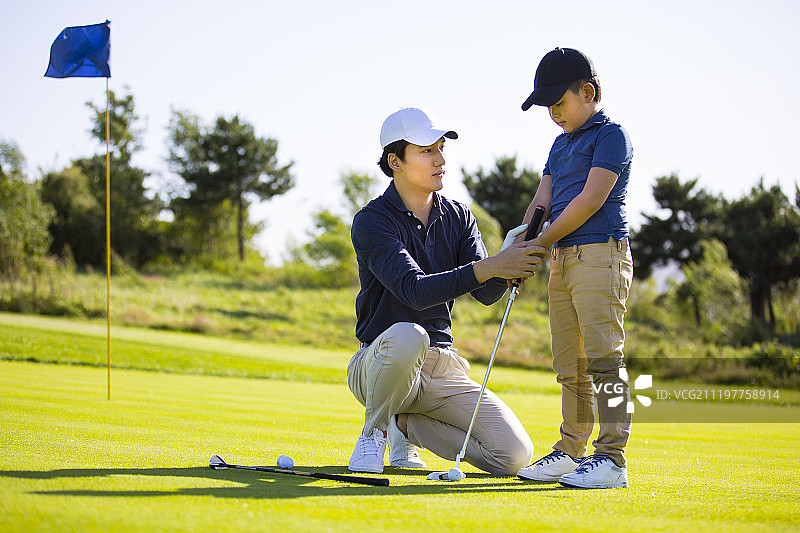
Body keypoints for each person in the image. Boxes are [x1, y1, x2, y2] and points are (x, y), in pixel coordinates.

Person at [347, 107, 547, 475]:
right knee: (410, 335)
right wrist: (492, 266)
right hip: (380, 365)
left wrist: (509, 262)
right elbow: (414, 290)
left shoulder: (459, 215)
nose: (440, 159)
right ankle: (372, 435)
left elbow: (485, 294)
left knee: (514, 456)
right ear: (396, 162)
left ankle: (404, 425)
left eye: (441, 148)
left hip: (442, 369)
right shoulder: (372, 221)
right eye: (426, 151)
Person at [515, 48, 634, 489]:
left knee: (605, 360)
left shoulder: (611, 136)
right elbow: (542, 201)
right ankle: (571, 451)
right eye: (547, 107)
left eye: (559, 103)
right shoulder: (559, 144)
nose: (553, 114)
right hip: (563, 261)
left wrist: (540, 243)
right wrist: (522, 245)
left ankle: (612, 460)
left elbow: (589, 201)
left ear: (589, 91)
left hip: (601, 255)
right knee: (571, 365)